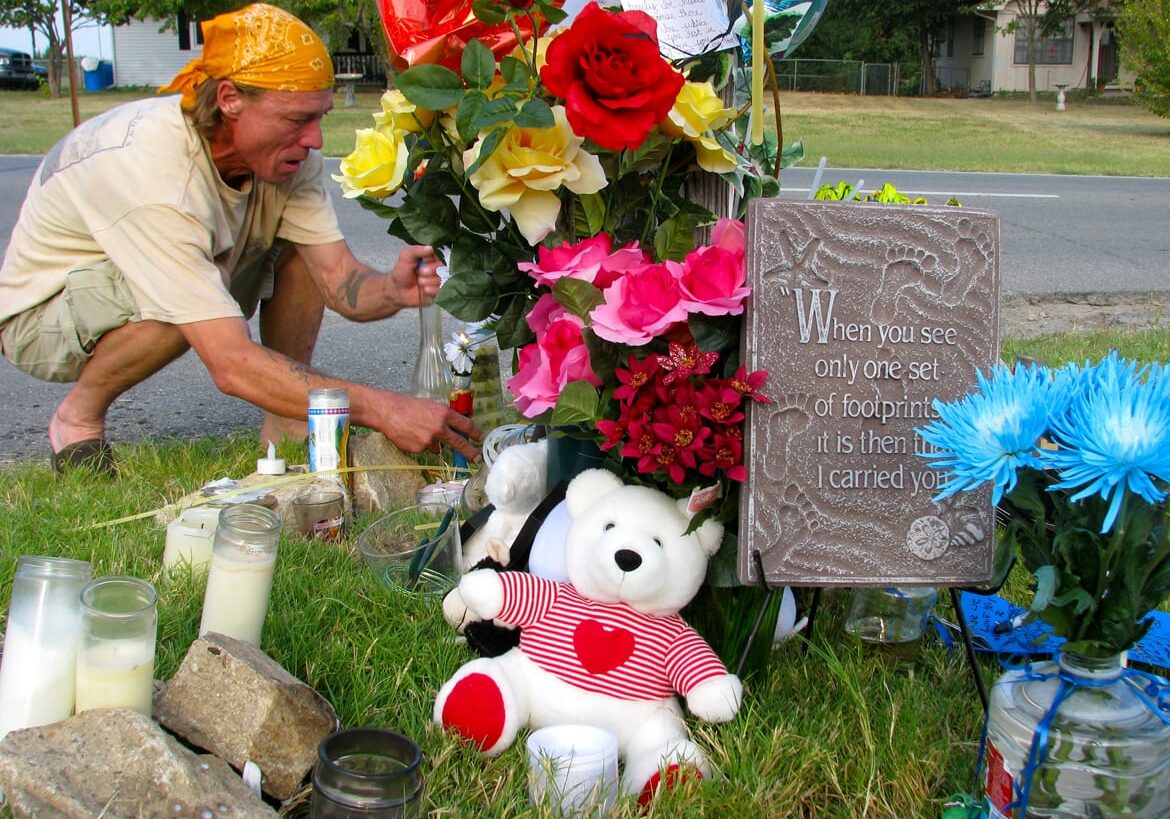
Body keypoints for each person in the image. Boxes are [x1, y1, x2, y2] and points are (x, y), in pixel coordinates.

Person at [0, 3, 480, 475]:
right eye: (297, 119)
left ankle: (289, 421)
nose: (315, 140)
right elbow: (229, 362)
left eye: (319, 117)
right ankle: (77, 420)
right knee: (180, 301)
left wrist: (390, 290)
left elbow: (336, 278)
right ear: (229, 99)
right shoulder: (155, 172)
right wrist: (383, 409)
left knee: (280, 253)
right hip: (43, 316)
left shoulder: (286, 158)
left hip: (179, 271)